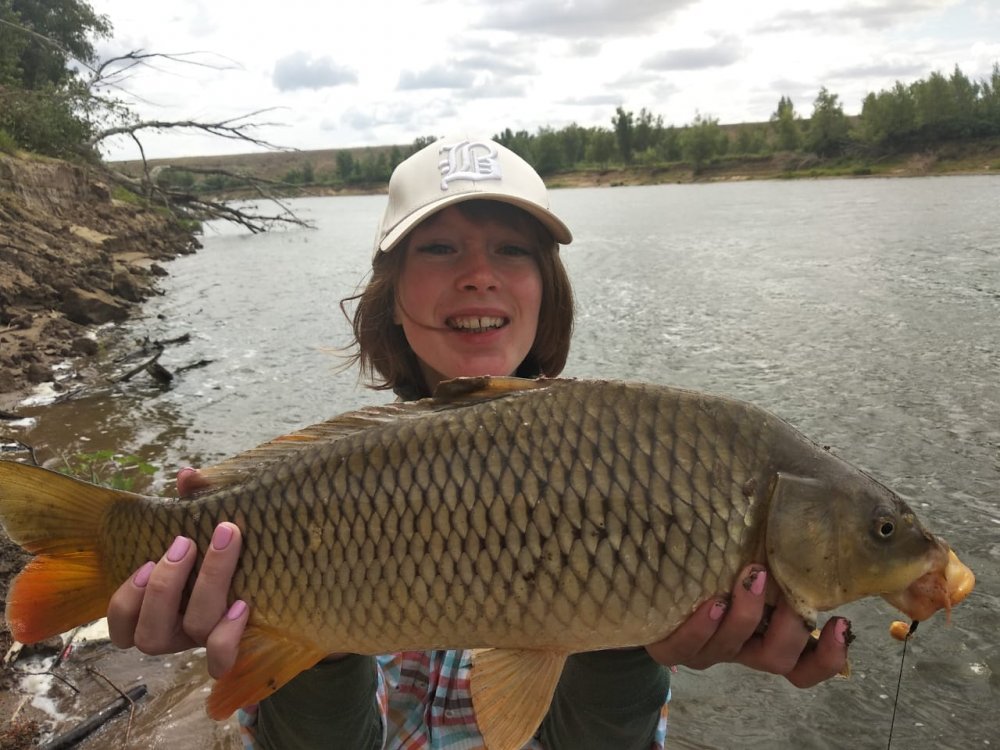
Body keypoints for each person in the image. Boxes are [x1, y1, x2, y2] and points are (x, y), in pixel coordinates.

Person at [108, 135, 850, 749]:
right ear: (391, 296)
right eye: (438, 248)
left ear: (547, 290)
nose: (478, 276)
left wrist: (626, 633)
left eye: (512, 250)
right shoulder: (330, 479)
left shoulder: (629, 468)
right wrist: (311, 647)